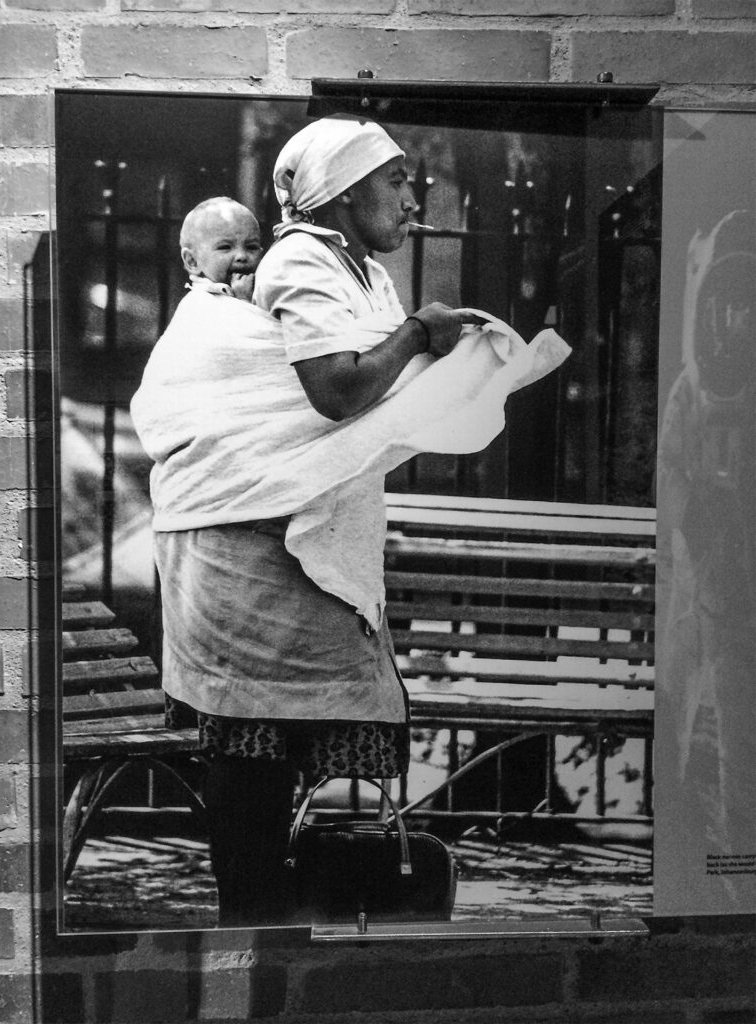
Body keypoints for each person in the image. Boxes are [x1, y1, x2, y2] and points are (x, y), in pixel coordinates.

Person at [131, 115, 566, 927]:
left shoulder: (356, 269)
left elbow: (372, 400)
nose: (413, 196)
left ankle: (270, 922)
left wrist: (433, 349)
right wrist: (417, 335)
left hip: (281, 534)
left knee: (280, 729)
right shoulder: (301, 256)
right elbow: (334, 392)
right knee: (252, 735)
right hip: (244, 541)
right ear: (339, 188)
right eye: (395, 181)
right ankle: (253, 928)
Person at [179, 195, 263, 301]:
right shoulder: (199, 300)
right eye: (225, 247)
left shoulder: (264, 289)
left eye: (251, 247)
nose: (242, 256)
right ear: (193, 261)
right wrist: (243, 300)